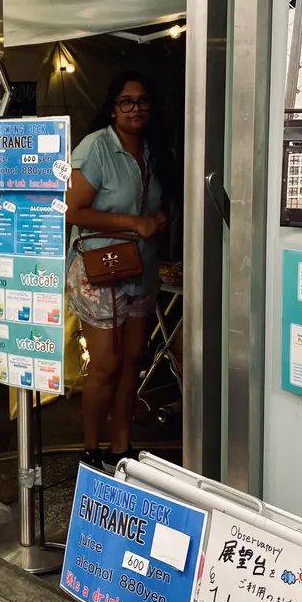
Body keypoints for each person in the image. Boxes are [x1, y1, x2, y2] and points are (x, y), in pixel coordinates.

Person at [65, 72, 172, 471]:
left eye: (142, 101)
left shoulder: (154, 149)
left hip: (139, 268)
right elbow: (72, 210)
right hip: (99, 270)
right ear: (113, 107)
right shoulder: (95, 148)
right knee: (107, 364)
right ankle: (91, 451)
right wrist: (134, 223)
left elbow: (154, 207)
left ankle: (120, 448)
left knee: (132, 361)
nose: (135, 108)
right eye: (126, 101)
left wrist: (156, 221)